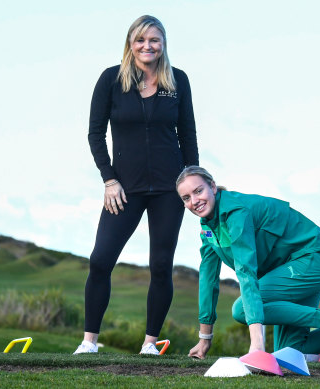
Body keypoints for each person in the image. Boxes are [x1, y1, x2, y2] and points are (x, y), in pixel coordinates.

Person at [175, 166, 320, 361]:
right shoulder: (208, 227)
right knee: (289, 351)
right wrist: (205, 338)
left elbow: (246, 271)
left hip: (317, 256)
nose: (194, 201)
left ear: (212, 187)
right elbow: (208, 280)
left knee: (241, 309)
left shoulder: (235, 212)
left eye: (198, 191)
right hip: (292, 268)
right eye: (186, 198)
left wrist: (257, 345)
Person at [73, 15, 199, 355]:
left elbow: (187, 134)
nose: (148, 46)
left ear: (163, 45)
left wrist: (194, 184)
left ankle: (149, 343)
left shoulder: (178, 81)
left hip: (169, 190)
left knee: (160, 266)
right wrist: (108, 178)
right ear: (131, 43)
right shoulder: (111, 80)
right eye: (141, 40)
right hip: (123, 189)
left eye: (154, 40)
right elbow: (95, 134)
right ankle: (89, 342)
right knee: (100, 260)